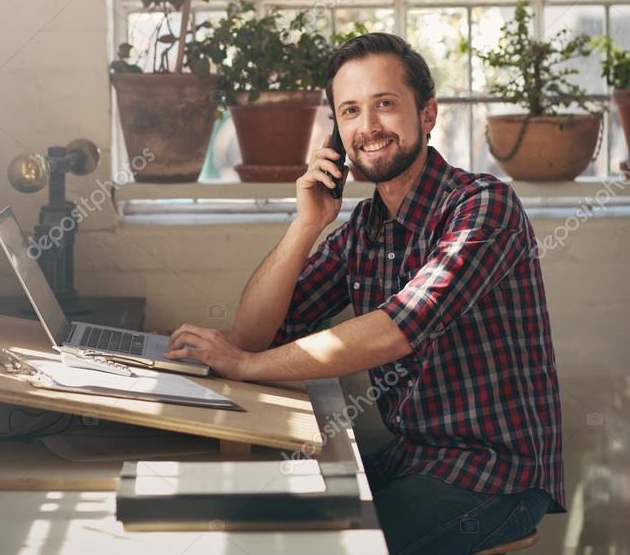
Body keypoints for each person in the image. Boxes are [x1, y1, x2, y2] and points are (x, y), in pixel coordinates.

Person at [166, 32, 565, 554]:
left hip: (492, 475)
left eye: (385, 105)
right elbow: (253, 333)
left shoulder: (484, 208)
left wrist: (244, 366)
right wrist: (306, 224)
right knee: (253, 520)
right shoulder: (363, 228)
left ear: (427, 115)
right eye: (350, 111)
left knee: (319, 548)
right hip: (412, 458)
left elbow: (394, 332)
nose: (368, 127)